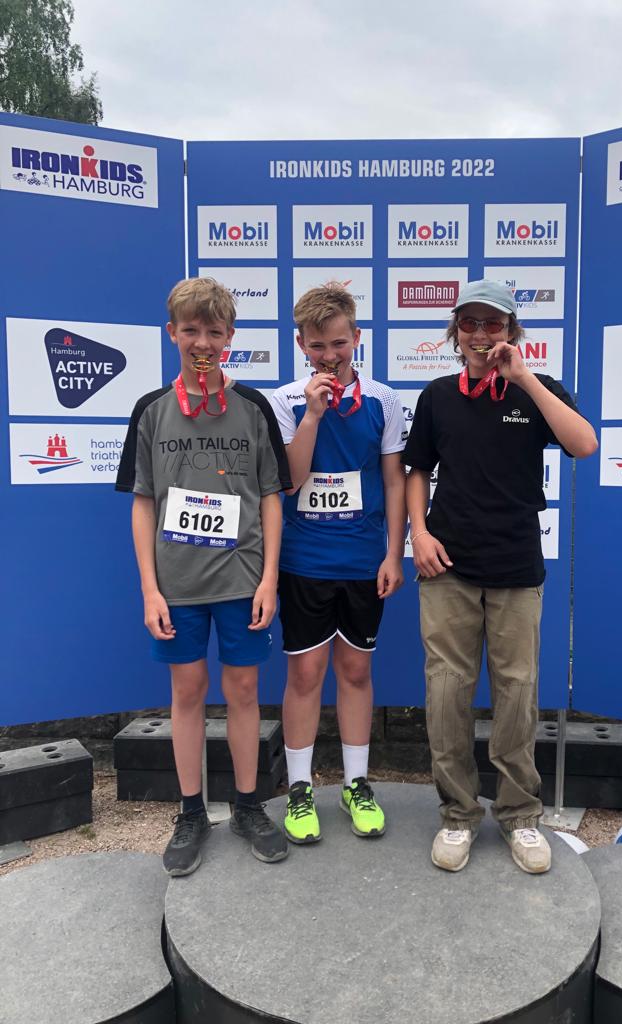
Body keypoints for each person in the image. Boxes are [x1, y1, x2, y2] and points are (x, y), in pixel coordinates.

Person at [401, 279, 598, 874]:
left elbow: (584, 444)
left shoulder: (537, 390)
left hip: (515, 568)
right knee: (446, 693)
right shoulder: (437, 396)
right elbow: (416, 470)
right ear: (455, 332)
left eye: (493, 323)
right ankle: (458, 814)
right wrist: (419, 534)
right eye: (470, 323)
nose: (481, 334)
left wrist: (525, 379)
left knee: (517, 694)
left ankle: (519, 814)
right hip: (447, 568)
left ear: (511, 331)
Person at [116, 277, 292, 875]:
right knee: (187, 692)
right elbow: (143, 501)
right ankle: (191, 811)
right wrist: (150, 589)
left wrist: (269, 579)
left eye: (214, 332)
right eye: (191, 330)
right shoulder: (151, 410)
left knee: (243, 692)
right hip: (178, 585)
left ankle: (248, 806)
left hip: (242, 580)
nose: (203, 343)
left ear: (230, 336)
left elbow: (271, 497)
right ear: (173, 334)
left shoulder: (253, 407)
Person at [271, 283, 407, 844]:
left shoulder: (384, 400)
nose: (329, 356)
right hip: (304, 560)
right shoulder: (283, 401)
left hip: (362, 560)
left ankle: (356, 783)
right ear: (301, 345)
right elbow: (290, 480)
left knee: (355, 672)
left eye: (339, 343)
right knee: (305, 674)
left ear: (357, 338)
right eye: (318, 346)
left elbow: (394, 481)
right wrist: (312, 413)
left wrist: (393, 553)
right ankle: (300, 788)